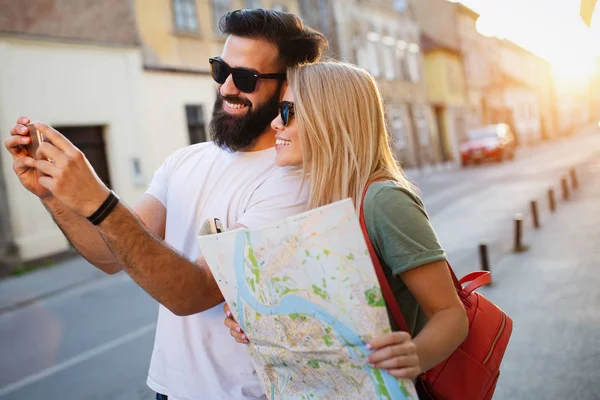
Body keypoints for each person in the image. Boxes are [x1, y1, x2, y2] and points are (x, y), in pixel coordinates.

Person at [4, 9, 327, 400]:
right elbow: (109, 254)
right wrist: (53, 195)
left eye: (245, 78)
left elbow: (193, 293)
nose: (226, 87)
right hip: (168, 389)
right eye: (220, 69)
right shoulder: (185, 160)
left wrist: (98, 199)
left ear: (287, 86)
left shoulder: (290, 181)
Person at [224, 62, 469, 384]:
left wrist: (415, 355)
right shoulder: (309, 196)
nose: (274, 123)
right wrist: (258, 320)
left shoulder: (383, 199)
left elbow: (450, 314)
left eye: (287, 111)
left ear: (329, 118)